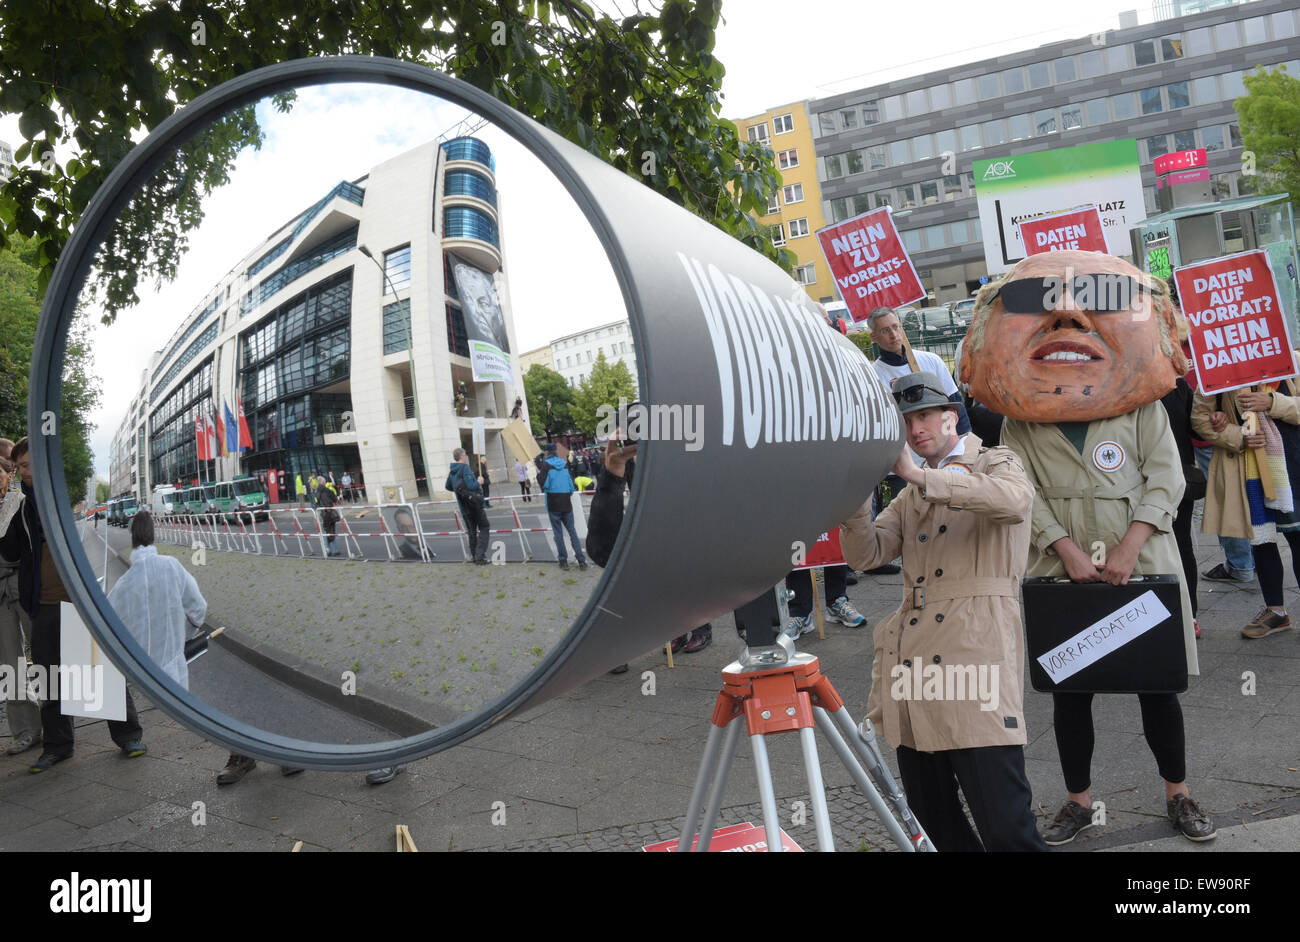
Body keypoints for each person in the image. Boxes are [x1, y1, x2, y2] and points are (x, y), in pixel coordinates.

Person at [967, 250, 1214, 844]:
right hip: (1059, 564)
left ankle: (1178, 794)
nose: (1069, 318)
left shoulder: (1141, 405)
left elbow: (1168, 477)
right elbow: (1020, 488)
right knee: (1071, 691)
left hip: (1144, 556)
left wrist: (1131, 546)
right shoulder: (1022, 418)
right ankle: (1078, 801)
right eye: (1036, 305)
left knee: (1158, 684)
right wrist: (1066, 550)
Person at [840, 372, 1044, 852]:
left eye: (925, 416)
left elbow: (1014, 502)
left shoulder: (995, 460)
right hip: (914, 665)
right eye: (906, 422)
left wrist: (917, 475)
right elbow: (868, 554)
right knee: (934, 817)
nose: (915, 430)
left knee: (1003, 821)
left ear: (952, 416)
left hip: (976, 656)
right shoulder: (911, 494)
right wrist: (853, 500)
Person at [0, 439, 147, 772]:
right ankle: (57, 746)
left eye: (31, 464)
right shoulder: (20, 506)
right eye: (20, 467)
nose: (26, 472)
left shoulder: (59, 496)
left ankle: (127, 736)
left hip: (77, 596)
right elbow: (9, 552)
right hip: (43, 601)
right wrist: (7, 511)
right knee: (50, 677)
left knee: (98, 668)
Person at [586, 438, 711, 668]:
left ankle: (699, 629)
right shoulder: (627, 461)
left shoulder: (671, 456)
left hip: (673, 524)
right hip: (639, 532)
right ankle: (671, 631)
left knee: (682, 581)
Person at [1192, 375, 1300, 639]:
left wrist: (1272, 402)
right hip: (1248, 470)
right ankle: (1275, 611)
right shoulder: (1216, 369)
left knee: (1298, 537)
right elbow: (1200, 419)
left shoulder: (1291, 362)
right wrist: (1239, 435)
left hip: (1293, 465)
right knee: (1261, 541)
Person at [0, 455, 41, 754]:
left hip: (24, 586)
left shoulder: (20, 503)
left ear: (8, 474)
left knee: (42, 654)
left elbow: (20, 551)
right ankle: (25, 730)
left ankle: (55, 723)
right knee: (9, 663)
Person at [540, 442, 587, 571]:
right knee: (572, 531)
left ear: (547, 453)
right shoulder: (564, 464)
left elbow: (543, 484)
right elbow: (571, 486)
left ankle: (563, 561)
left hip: (553, 502)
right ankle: (581, 560)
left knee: (558, 533)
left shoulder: (545, 465)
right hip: (566, 501)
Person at [446, 448, 490, 565]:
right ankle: (480, 556)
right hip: (474, 505)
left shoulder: (452, 471)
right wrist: (478, 481)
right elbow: (471, 485)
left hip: (463, 507)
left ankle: (475, 556)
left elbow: (448, 486)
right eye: (465, 454)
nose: (466, 456)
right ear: (462, 456)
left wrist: (459, 489)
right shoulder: (464, 468)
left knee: (472, 532)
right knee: (485, 527)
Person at [317, 480, 342, 557]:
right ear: (323, 482)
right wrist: (337, 500)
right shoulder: (327, 490)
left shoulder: (317, 492)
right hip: (330, 512)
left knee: (326, 530)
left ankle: (327, 550)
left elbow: (316, 502)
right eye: (324, 481)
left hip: (323, 513)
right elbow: (334, 498)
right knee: (332, 530)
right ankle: (335, 550)